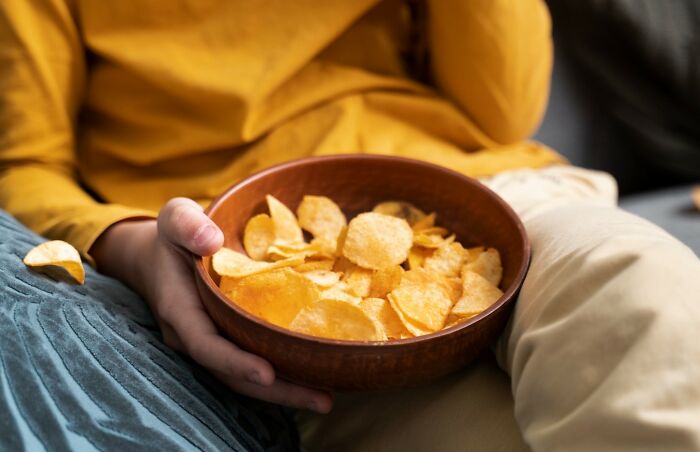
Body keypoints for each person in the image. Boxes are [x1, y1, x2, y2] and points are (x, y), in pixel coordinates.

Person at [1, 1, 698, 450]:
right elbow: (25, 165)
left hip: (492, 196)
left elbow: (501, 110)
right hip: (275, 298)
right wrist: (132, 244)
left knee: (635, 293)